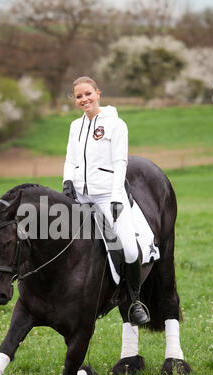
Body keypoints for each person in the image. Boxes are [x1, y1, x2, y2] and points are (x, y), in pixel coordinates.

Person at [62, 76, 149, 326]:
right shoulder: (74, 127)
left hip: (109, 195)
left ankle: (134, 301)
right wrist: (68, 181)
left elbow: (120, 162)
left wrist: (114, 197)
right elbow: (70, 159)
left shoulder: (116, 125)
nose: (84, 99)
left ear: (98, 93)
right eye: (79, 96)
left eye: (88, 94)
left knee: (130, 250)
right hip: (81, 196)